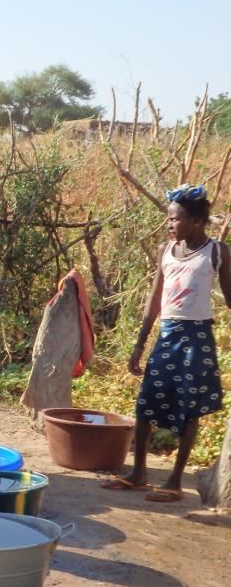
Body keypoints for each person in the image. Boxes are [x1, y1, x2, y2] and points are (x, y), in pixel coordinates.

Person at [102, 184, 231, 502]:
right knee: (145, 403)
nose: (170, 225)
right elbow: (155, 300)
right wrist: (139, 343)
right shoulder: (165, 251)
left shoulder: (216, 252)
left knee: (190, 409)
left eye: (175, 220)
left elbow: (230, 297)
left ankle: (174, 480)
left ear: (197, 222)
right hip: (168, 333)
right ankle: (139, 473)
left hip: (197, 336)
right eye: (169, 219)